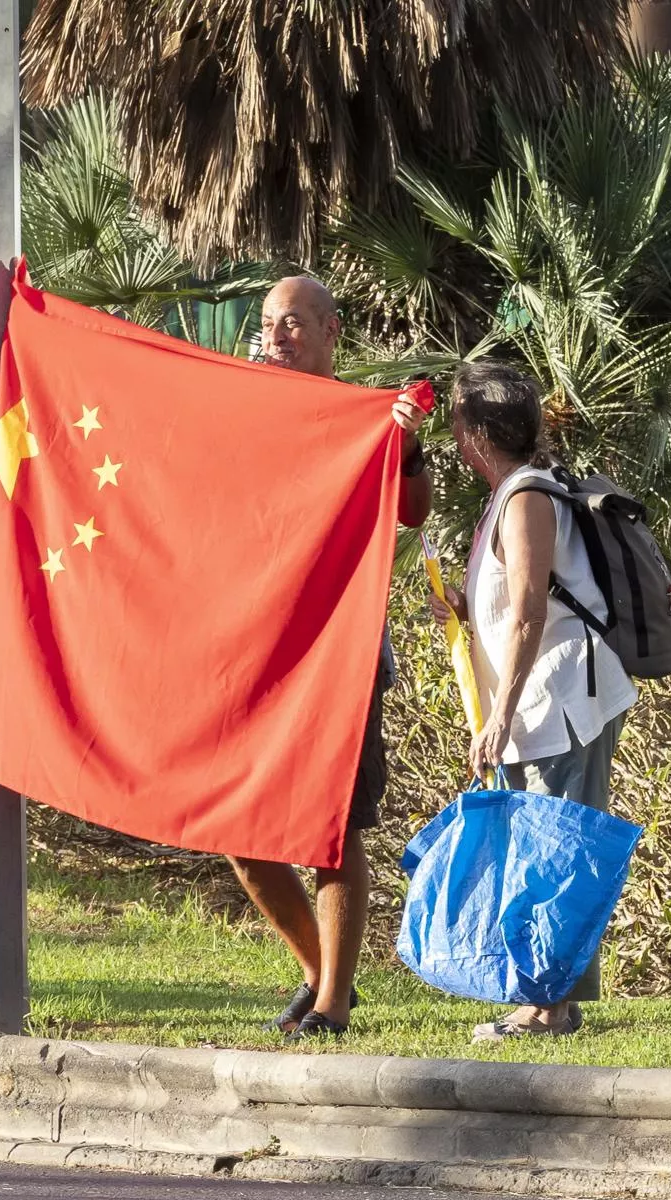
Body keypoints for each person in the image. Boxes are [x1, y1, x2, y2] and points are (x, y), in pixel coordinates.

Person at [230, 275, 432, 1040]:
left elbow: (413, 510)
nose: (279, 335)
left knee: (334, 830)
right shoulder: (243, 407)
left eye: (294, 324)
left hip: (340, 657)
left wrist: (405, 445)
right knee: (238, 837)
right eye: (270, 324)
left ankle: (335, 1007)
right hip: (255, 654)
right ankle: (321, 976)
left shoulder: (368, 418)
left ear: (329, 331)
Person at [427, 362, 637, 1041]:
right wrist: (463, 608)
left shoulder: (527, 498)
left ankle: (548, 1009)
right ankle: (551, 1002)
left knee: (556, 853)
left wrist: (500, 715)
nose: (454, 438)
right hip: (542, 706)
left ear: (479, 433)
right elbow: (509, 604)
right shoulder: (513, 494)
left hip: (560, 703)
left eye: (458, 424)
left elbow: (528, 614)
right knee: (542, 851)